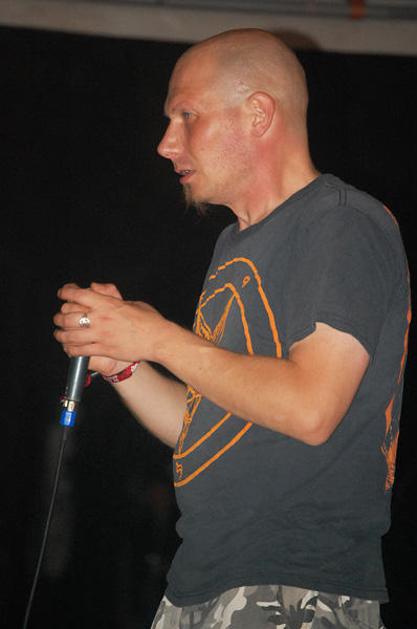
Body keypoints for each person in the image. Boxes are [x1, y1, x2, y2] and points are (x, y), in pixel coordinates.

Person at [54, 29, 410, 629]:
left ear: (258, 114)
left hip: (294, 581)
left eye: (186, 116)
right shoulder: (234, 246)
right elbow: (208, 429)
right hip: (202, 578)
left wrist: (159, 336)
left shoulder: (342, 224)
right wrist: (123, 362)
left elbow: (309, 408)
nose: (166, 143)